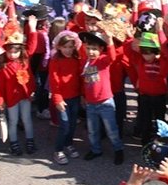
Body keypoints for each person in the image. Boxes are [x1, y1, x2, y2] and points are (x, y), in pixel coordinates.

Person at [80, 28, 124, 164]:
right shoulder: (85, 63)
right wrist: (83, 96)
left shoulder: (103, 60)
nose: (91, 52)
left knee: (111, 129)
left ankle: (118, 149)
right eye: (88, 48)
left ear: (101, 49)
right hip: (91, 103)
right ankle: (95, 149)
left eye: (94, 49)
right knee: (92, 130)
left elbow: (112, 57)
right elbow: (84, 81)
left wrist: (110, 41)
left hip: (105, 101)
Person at [0, 21, 37, 156]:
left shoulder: (24, 62)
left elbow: (32, 46)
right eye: (10, 52)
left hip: (25, 96)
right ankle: (13, 143)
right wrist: (0, 100)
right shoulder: (3, 68)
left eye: (16, 52)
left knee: (27, 119)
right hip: (11, 98)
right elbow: (0, 86)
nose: (13, 55)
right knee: (12, 121)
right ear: (5, 51)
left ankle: (30, 141)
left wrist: (32, 29)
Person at [48, 30, 82, 165]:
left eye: (70, 47)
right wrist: (57, 99)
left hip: (75, 97)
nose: (68, 50)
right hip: (62, 98)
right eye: (65, 47)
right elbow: (54, 82)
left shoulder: (76, 60)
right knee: (64, 125)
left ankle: (68, 144)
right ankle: (58, 149)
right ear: (59, 47)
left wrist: (82, 95)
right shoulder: (55, 61)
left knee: (73, 123)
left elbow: (79, 78)